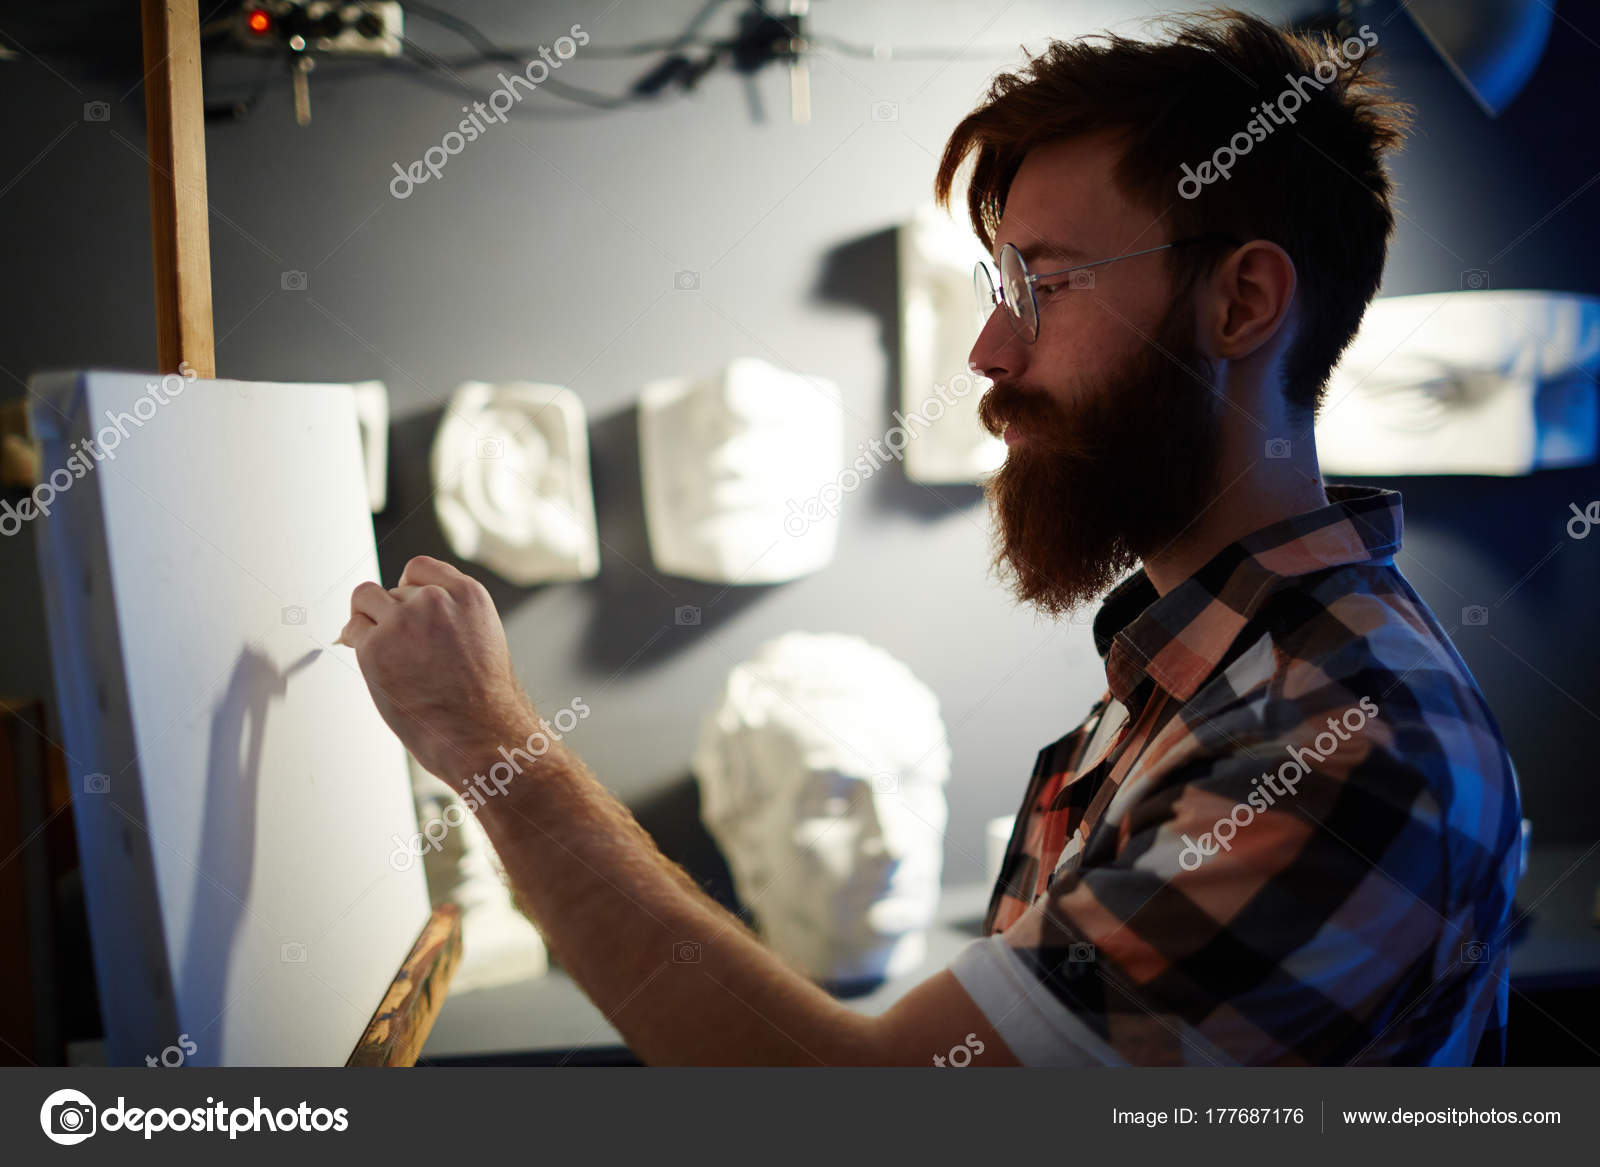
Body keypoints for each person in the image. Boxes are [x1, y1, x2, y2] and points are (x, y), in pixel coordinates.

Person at [339, 9, 1522, 1065]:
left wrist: (484, 736)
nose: (989, 353)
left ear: (1241, 303)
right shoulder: (1209, 670)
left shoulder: (1337, 749)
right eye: (999, 289)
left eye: (1045, 285)